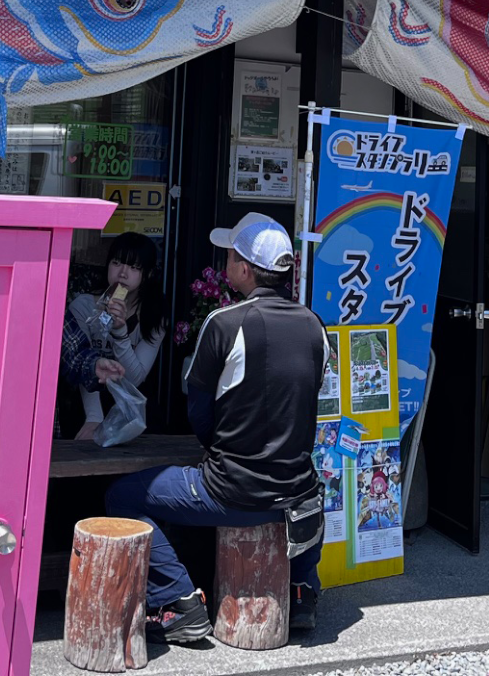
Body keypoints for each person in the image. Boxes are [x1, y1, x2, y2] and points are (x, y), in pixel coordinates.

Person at [102, 212, 326, 642]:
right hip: (296, 491)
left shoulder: (224, 322)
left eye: (230, 255)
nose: (225, 262)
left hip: (230, 490)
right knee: (312, 489)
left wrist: (218, 448)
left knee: (123, 495)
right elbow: (305, 406)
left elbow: (200, 412)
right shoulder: (314, 325)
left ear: (244, 268)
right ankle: (301, 592)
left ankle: (178, 600)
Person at [63, 232, 166, 442]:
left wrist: (120, 332)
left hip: (131, 411)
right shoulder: (83, 306)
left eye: (134, 267)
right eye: (116, 263)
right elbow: (81, 360)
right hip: (87, 405)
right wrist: (94, 417)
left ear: (146, 274)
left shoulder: (153, 317)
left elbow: (134, 378)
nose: (122, 274)